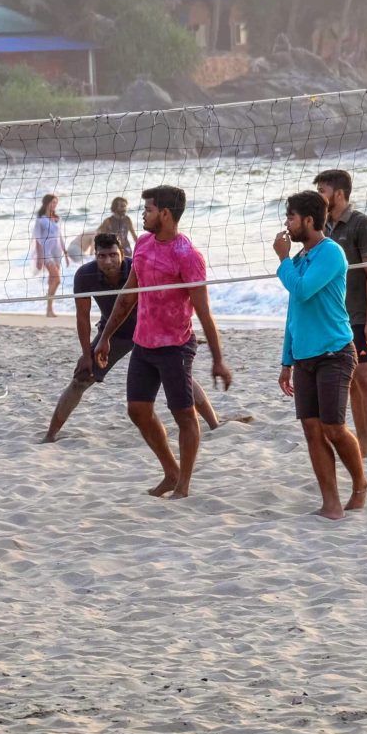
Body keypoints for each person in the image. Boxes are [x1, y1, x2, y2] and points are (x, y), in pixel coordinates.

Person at [91, 186, 234, 499]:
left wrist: (218, 359)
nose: (144, 214)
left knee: (184, 415)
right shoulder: (142, 244)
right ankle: (171, 472)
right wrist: (104, 338)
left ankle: (183, 485)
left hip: (175, 345)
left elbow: (204, 312)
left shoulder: (187, 255)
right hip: (144, 344)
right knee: (137, 410)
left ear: (165, 214)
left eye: (150, 209)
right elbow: (128, 295)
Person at [275, 190, 366, 519]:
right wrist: (286, 360)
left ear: (309, 221)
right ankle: (331, 501)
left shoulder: (331, 253)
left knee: (334, 428)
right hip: (304, 357)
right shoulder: (299, 261)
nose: (287, 224)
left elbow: (302, 288)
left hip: (335, 352)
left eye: (291, 218)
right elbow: (293, 313)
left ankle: (360, 485)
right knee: (311, 429)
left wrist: (282, 259)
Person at [315, 169, 367, 462]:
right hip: (334, 318)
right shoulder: (322, 227)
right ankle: (364, 444)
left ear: (339, 194)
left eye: (323, 191)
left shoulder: (362, 224)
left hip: (357, 315)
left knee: (366, 377)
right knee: (352, 380)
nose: (319, 197)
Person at [46, 233, 132, 442]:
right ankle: (50, 435)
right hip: (112, 333)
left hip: (147, 328)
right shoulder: (85, 275)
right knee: (80, 379)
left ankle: (212, 422)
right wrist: (86, 355)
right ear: (95, 256)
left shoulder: (136, 268)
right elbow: (82, 318)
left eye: (113, 255)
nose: (108, 261)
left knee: (173, 371)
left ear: (123, 253)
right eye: (102, 256)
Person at [32, 193, 68, 316]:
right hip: (46, 252)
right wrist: (39, 258)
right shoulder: (41, 220)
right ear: (46, 203)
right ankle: (49, 307)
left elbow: (60, 236)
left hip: (57, 251)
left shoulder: (58, 218)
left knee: (52, 280)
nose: (54, 205)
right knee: (57, 280)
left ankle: (49, 309)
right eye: (52, 202)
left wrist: (66, 253)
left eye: (56, 203)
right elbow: (37, 239)